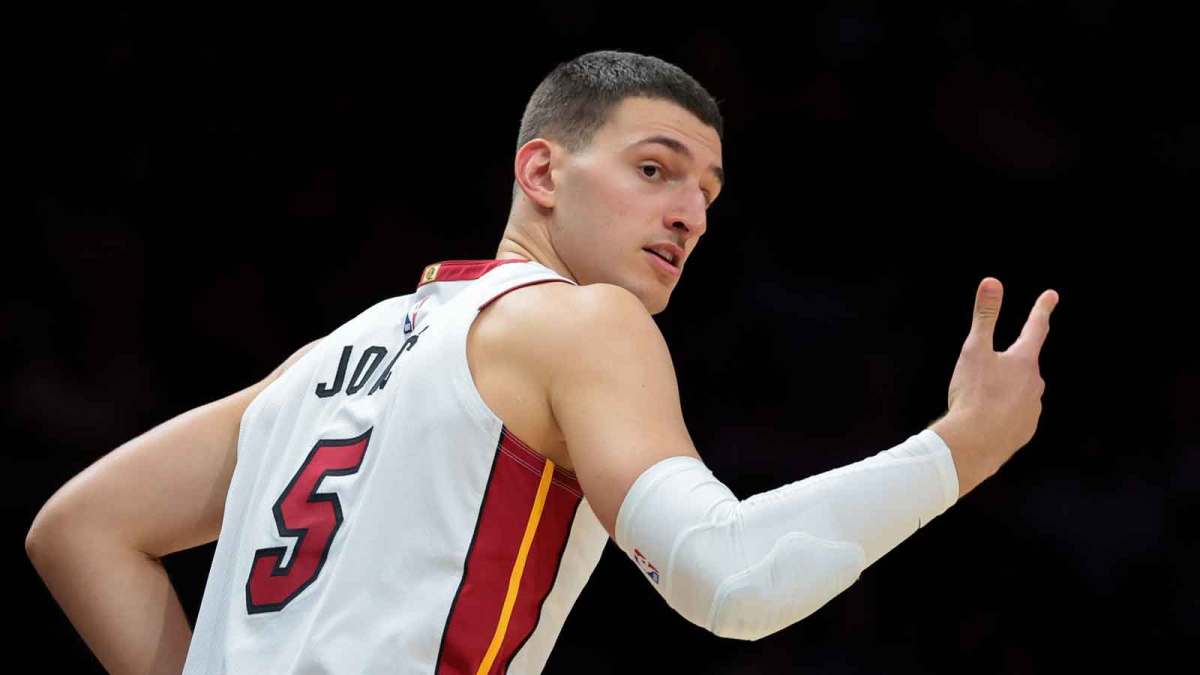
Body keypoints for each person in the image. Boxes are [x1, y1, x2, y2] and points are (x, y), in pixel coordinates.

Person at [25, 50, 1059, 674]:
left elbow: (80, 528)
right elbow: (732, 579)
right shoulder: (584, 323)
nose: (690, 212)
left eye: (708, 191)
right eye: (656, 169)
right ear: (542, 170)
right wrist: (961, 450)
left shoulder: (319, 362)